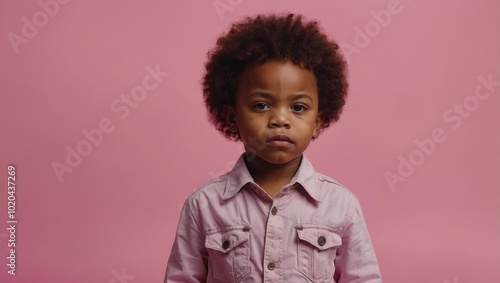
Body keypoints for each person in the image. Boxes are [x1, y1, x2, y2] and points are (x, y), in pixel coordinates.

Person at [165, 13, 382, 282]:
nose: (280, 119)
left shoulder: (341, 206)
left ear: (318, 121)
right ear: (232, 118)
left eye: (298, 107)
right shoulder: (203, 206)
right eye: (261, 105)